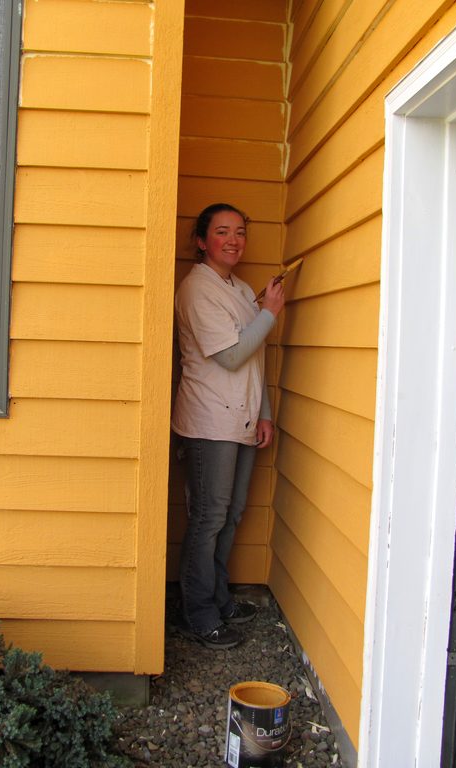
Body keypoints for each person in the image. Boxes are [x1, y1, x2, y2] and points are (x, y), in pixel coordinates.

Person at [172, 202, 285, 649]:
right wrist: (271, 313)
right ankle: (197, 613)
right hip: (210, 420)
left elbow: (254, 358)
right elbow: (232, 355)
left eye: (240, 231)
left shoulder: (238, 288)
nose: (234, 240)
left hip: (241, 416)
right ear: (202, 242)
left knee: (231, 515)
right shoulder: (197, 289)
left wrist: (266, 413)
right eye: (222, 232)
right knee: (209, 518)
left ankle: (218, 599)